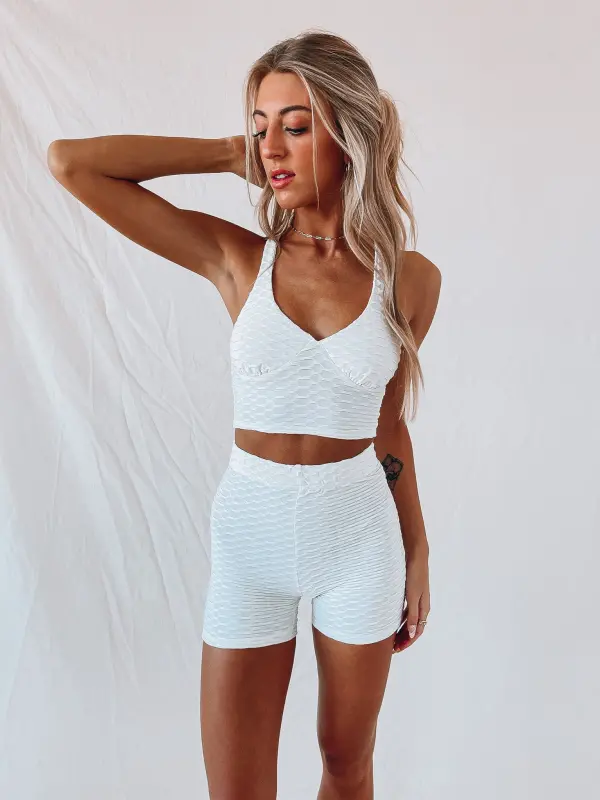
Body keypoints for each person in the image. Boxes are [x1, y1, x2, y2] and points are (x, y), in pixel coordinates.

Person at [47, 28, 441, 800]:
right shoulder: (236, 259)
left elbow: (387, 425)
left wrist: (419, 547)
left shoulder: (410, 281)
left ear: (348, 133)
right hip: (250, 538)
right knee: (236, 790)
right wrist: (229, 153)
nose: (273, 149)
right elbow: (71, 163)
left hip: (360, 539)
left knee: (347, 765)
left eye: (295, 126)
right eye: (261, 128)